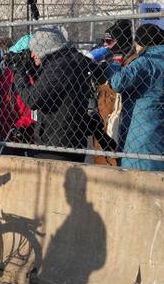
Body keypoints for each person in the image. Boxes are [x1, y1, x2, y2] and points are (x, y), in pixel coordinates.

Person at [13, 26, 98, 163]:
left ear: (45, 48)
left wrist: (19, 72)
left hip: (57, 144)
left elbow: (33, 99)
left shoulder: (59, 67)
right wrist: (30, 68)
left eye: (35, 51)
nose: (32, 55)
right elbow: (48, 89)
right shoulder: (70, 60)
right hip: (66, 140)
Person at [106, 23, 164, 171]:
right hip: (158, 123)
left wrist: (113, 66)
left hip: (144, 129)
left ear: (140, 43)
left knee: (140, 171)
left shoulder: (146, 60)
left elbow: (118, 82)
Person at [91, 20, 134, 166]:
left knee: (116, 159)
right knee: (101, 159)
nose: (105, 45)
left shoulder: (131, 59)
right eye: (105, 41)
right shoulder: (105, 57)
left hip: (119, 114)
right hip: (103, 115)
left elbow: (117, 85)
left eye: (109, 41)